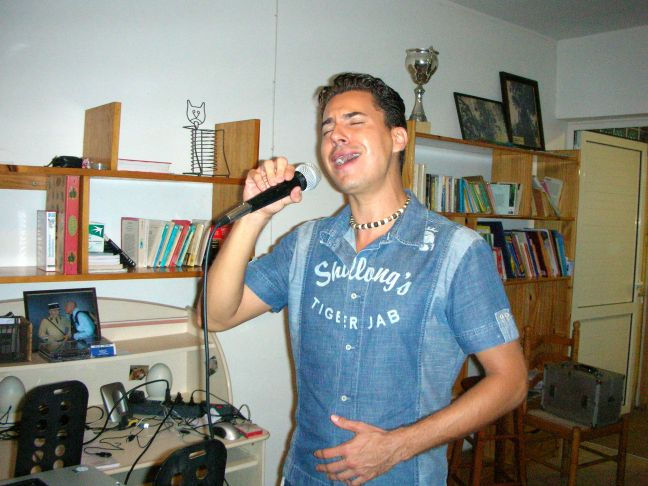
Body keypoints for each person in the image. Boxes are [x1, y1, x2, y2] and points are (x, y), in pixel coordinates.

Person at [203, 73, 527, 485]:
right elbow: (215, 315)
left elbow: (510, 381)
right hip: (306, 476)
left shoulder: (455, 251)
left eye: (354, 122)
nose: (336, 136)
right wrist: (255, 215)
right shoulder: (305, 243)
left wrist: (398, 445)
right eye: (327, 129)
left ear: (397, 138)